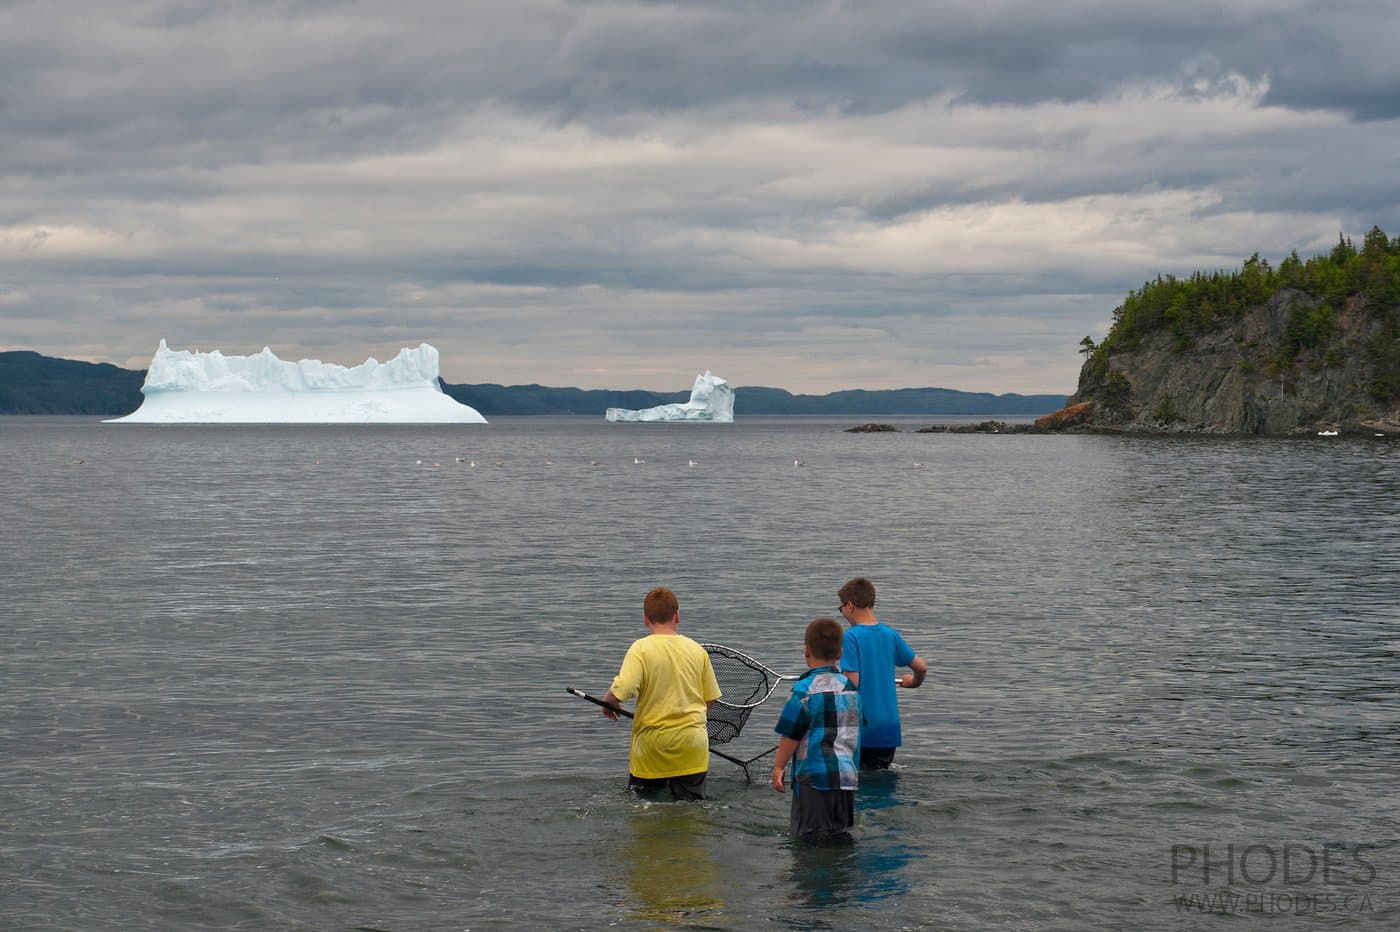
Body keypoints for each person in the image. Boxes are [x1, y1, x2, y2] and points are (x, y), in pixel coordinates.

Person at [600, 587, 722, 800]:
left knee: (646, 808)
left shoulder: (641, 649)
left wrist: (608, 702)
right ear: (677, 615)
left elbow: (624, 687)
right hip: (692, 745)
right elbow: (710, 698)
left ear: (645, 619)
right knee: (691, 812)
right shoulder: (697, 650)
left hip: (652, 747)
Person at [771, 617, 861, 844]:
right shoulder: (850, 689)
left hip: (813, 778)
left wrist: (779, 766)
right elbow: (856, 728)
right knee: (840, 835)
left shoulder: (803, 691)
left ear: (806, 651)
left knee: (809, 840)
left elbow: (791, 733)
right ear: (840, 653)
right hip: (846, 778)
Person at [837, 576, 926, 769]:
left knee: (859, 785)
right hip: (889, 728)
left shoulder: (850, 637)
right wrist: (913, 682)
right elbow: (921, 667)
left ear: (850, 606)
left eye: (841, 608)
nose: (842, 613)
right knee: (881, 785)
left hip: (863, 727)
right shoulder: (890, 634)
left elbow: (852, 680)